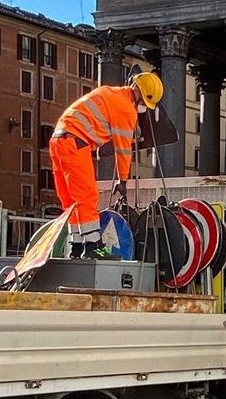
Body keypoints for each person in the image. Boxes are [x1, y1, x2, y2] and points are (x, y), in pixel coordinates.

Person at [49, 72, 163, 259]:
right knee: (87, 195)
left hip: (58, 139)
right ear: (139, 94)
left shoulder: (110, 93)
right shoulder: (127, 109)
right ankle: (93, 246)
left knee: (71, 200)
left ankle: (76, 246)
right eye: (144, 102)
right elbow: (124, 150)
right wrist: (123, 180)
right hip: (76, 142)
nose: (143, 106)